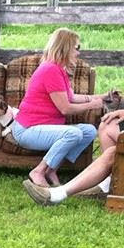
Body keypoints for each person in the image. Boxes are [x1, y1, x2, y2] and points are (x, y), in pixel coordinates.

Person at [11, 28, 103, 187]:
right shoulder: (50, 70)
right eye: (76, 48)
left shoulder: (59, 69)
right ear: (66, 47)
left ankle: (51, 169)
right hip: (28, 129)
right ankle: (38, 171)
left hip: (43, 127)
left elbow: (72, 97)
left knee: (89, 131)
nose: (78, 52)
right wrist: (92, 105)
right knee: (72, 133)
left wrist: (102, 97)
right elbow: (65, 108)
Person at [22, 106, 122, 205]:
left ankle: (56, 195)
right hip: (29, 126)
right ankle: (110, 184)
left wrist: (95, 102)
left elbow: (65, 108)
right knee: (107, 124)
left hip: (36, 126)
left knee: (112, 153)